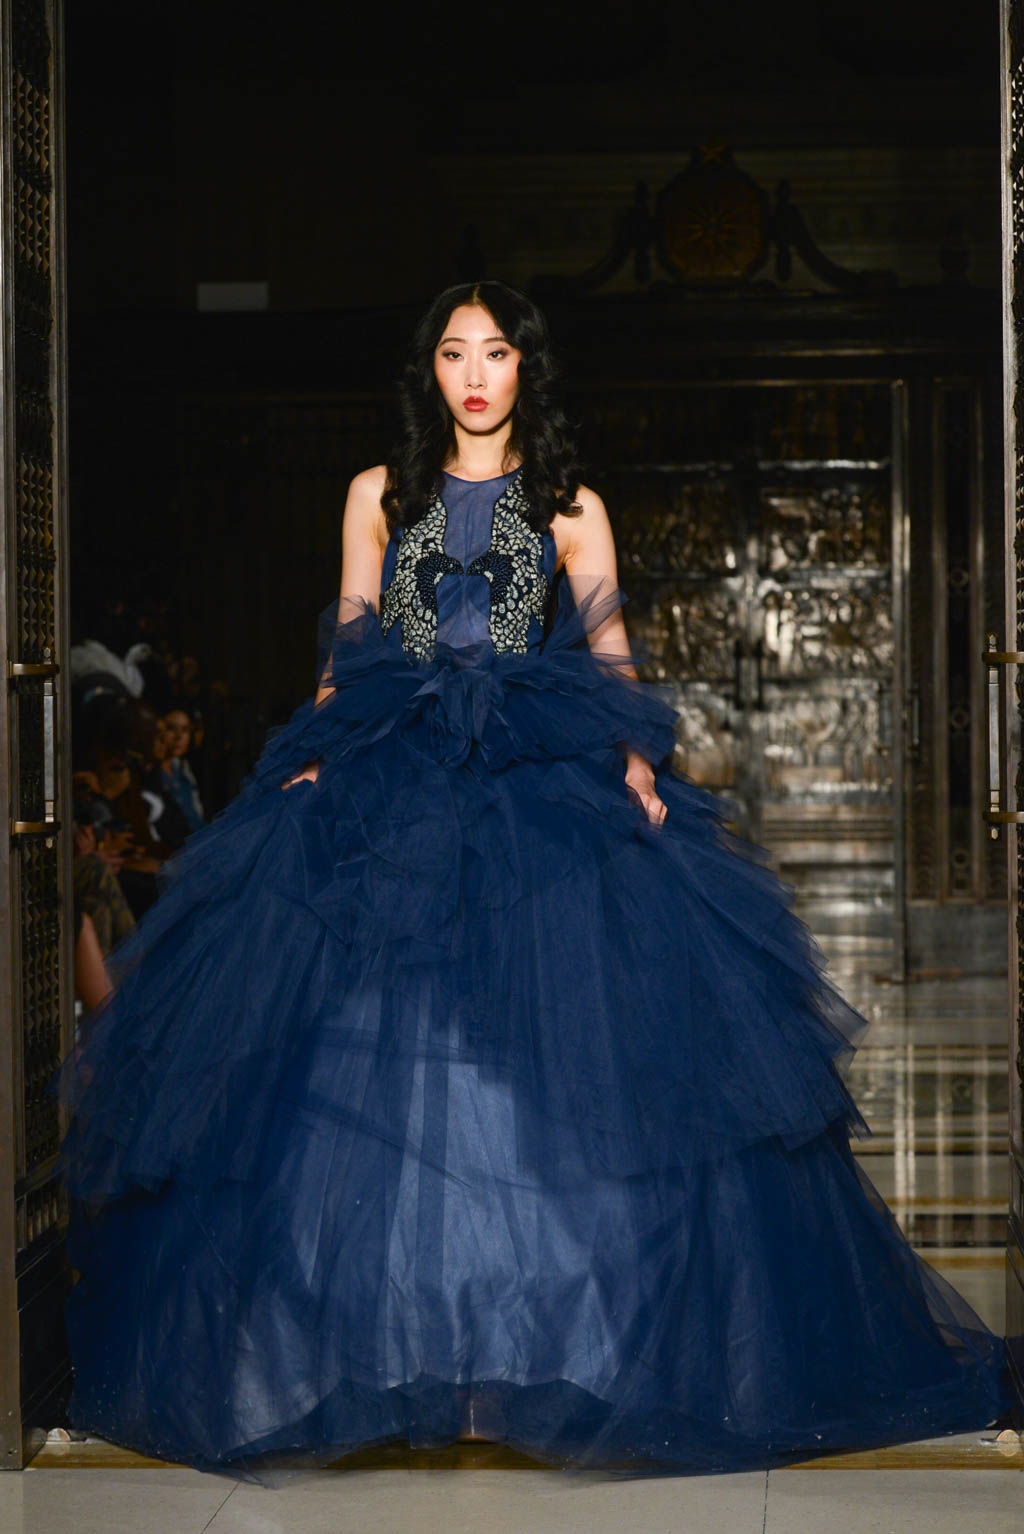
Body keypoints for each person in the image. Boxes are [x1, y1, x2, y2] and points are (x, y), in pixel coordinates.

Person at [49, 280, 1013, 1485]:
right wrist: (310, 760)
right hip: (393, 775)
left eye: (495, 352)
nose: (473, 374)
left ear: (524, 369)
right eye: (454, 352)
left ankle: (536, 1356)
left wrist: (636, 765)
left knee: (535, 1065)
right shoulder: (376, 493)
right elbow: (349, 646)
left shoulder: (569, 506)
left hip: (531, 780)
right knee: (378, 1061)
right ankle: (402, 1357)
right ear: (430, 370)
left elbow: (610, 657)